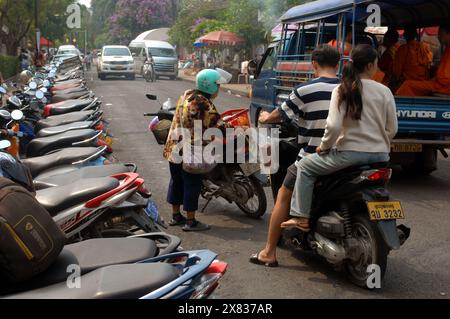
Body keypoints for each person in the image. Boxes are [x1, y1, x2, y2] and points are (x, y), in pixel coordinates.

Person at [282, 44, 398, 232]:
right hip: (381, 157)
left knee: (304, 166)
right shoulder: (385, 91)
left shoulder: (343, 89)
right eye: (377, 63)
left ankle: (301, 217)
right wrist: (379, 142)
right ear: (370, 65)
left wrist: (324, 147)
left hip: (349, 156)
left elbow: (334, 126)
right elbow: (392, 129)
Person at [249, 45, 341, 267]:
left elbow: (279, 114)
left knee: (283, 195)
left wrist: (263, 119)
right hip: (348, 155)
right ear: (338, 65)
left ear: (314, 65)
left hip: (313, 154)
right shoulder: (348, 87)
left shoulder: (305, 89)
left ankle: (269, 252)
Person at [163, 68, 232, 231]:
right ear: (210, 86)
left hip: (173, 145)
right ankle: (191, 221)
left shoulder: (187, 94)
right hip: (191, 150)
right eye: (218, 85)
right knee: (192, 183)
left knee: (176, 180)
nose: (219, 89)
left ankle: (176, 216)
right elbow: (219, 126)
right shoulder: (205, 104)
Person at [396, 24, 450, 96]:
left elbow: (444, 78)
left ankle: (402, 105)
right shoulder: (424, 47)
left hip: (443, 86)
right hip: (426, 79)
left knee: (407, 85)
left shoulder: (403, 49)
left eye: (440, 34)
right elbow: (429, 62)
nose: (438, 36)